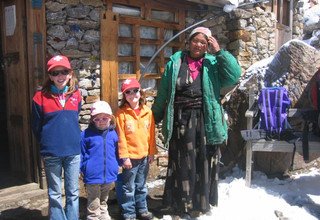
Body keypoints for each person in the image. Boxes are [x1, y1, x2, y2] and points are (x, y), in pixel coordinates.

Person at [151, 26, 241, 219]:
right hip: (181, 121)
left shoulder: (213, 63)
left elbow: (234, 75)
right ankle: (180, 203)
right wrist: (152, 118)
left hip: (205, 119)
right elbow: (164, 94)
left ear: (207, 44)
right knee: (182, 162)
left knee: (204, 161)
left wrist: (219, 51)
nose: (198, 45)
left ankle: (200, 204)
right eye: (195, 40)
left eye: (203, 42)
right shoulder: (175, 63)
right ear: (188, 41)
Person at [31, 55, 82, 220]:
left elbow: (75, 119)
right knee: (54, 192)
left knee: (73, 191)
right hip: (52, 152)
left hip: (73, 151)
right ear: (50, 76)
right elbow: (36, 126)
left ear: (70, 73)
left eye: (64, 72)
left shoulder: (77, 95)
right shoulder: (39, 97)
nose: (60, 76)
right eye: (55, 73)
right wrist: (47, 143)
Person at [115, 78, 158, 220]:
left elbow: (151, 135)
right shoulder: (121, 114)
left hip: (144, 156)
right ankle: (129, 213)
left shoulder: (148, 112)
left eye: (135, 91)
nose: (133, 94)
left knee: (141, 185)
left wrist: (152, 152)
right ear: (124, 95)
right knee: (128, 187)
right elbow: (120, 137)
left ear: (140, 92)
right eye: (128, 92)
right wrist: (125, 157)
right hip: (130, 158)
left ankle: (142, 209)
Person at [80, 100, 120, 220]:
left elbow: (118, 152)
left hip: (109, 173)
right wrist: (81, 168)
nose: (101, 122)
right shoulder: (86, 135)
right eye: (97, 119)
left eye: (104, 118)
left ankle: (103, 214)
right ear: (92, 120)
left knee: (104, 197)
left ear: (110, 118)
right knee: (94, 199)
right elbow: (81, 153)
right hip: (92, 174)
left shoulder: (114, 134)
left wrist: (118, 164)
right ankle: (93, 216)